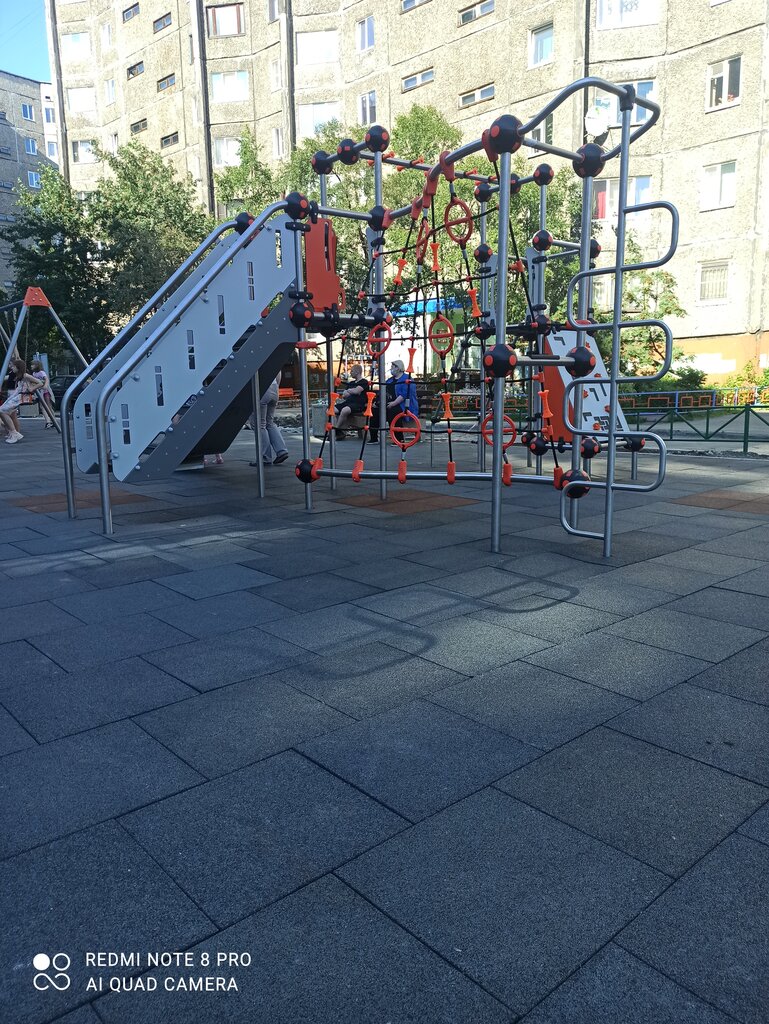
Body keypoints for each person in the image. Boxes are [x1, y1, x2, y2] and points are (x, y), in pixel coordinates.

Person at [368, 359, 419, 443]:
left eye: (392, 367)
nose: (391, 368)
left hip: (403, 405)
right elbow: (383, 392)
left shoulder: (407, 379)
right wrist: (377, 402)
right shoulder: (390, 380)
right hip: (389, 403)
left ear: (398, 368)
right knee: (375, 410)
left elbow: (404, 394)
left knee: (394, 411)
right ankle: (374, 438)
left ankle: (399, 438)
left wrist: (394, 403)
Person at [1, 358, 44, 444]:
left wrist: (32, 388)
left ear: (18, 367)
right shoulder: (19, 376)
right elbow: (17, 389)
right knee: (3, 410)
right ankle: (12, 432)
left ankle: (14, 432)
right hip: (18, 395)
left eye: (13, 366)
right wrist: (10, 398)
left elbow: (40, 383)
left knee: (2, 410)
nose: (12, 368)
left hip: (23, 396)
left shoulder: (25, 375)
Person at [259, 371, 288, 465]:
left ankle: (265, 457)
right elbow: (278, 374)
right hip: (274, 388)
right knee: (269, 423)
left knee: (260, 425)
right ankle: (281, 451)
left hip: (261, 389)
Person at [334, 363, 369, 438]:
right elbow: (344, 395)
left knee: (345, 410)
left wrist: (350, 391)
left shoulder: (364, 382)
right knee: (330, 409)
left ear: (357, 371)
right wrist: (352, 391)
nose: (350, 373)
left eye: (352, 371)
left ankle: (336, 429)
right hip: (347, 403)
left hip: (358, 404)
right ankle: (338, 431)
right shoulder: (351, 383)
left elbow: (356, 391)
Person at [30, 360, 56, 428]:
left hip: (45, 391)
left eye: (32, 365)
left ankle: (53, 420)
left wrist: (46, 385)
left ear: (37, 365)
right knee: (42, 407)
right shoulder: (34, 374)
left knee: (49, 406)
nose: (31, 366)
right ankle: (48, 421)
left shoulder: (41, 372)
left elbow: (46, 379)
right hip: (40, 392)